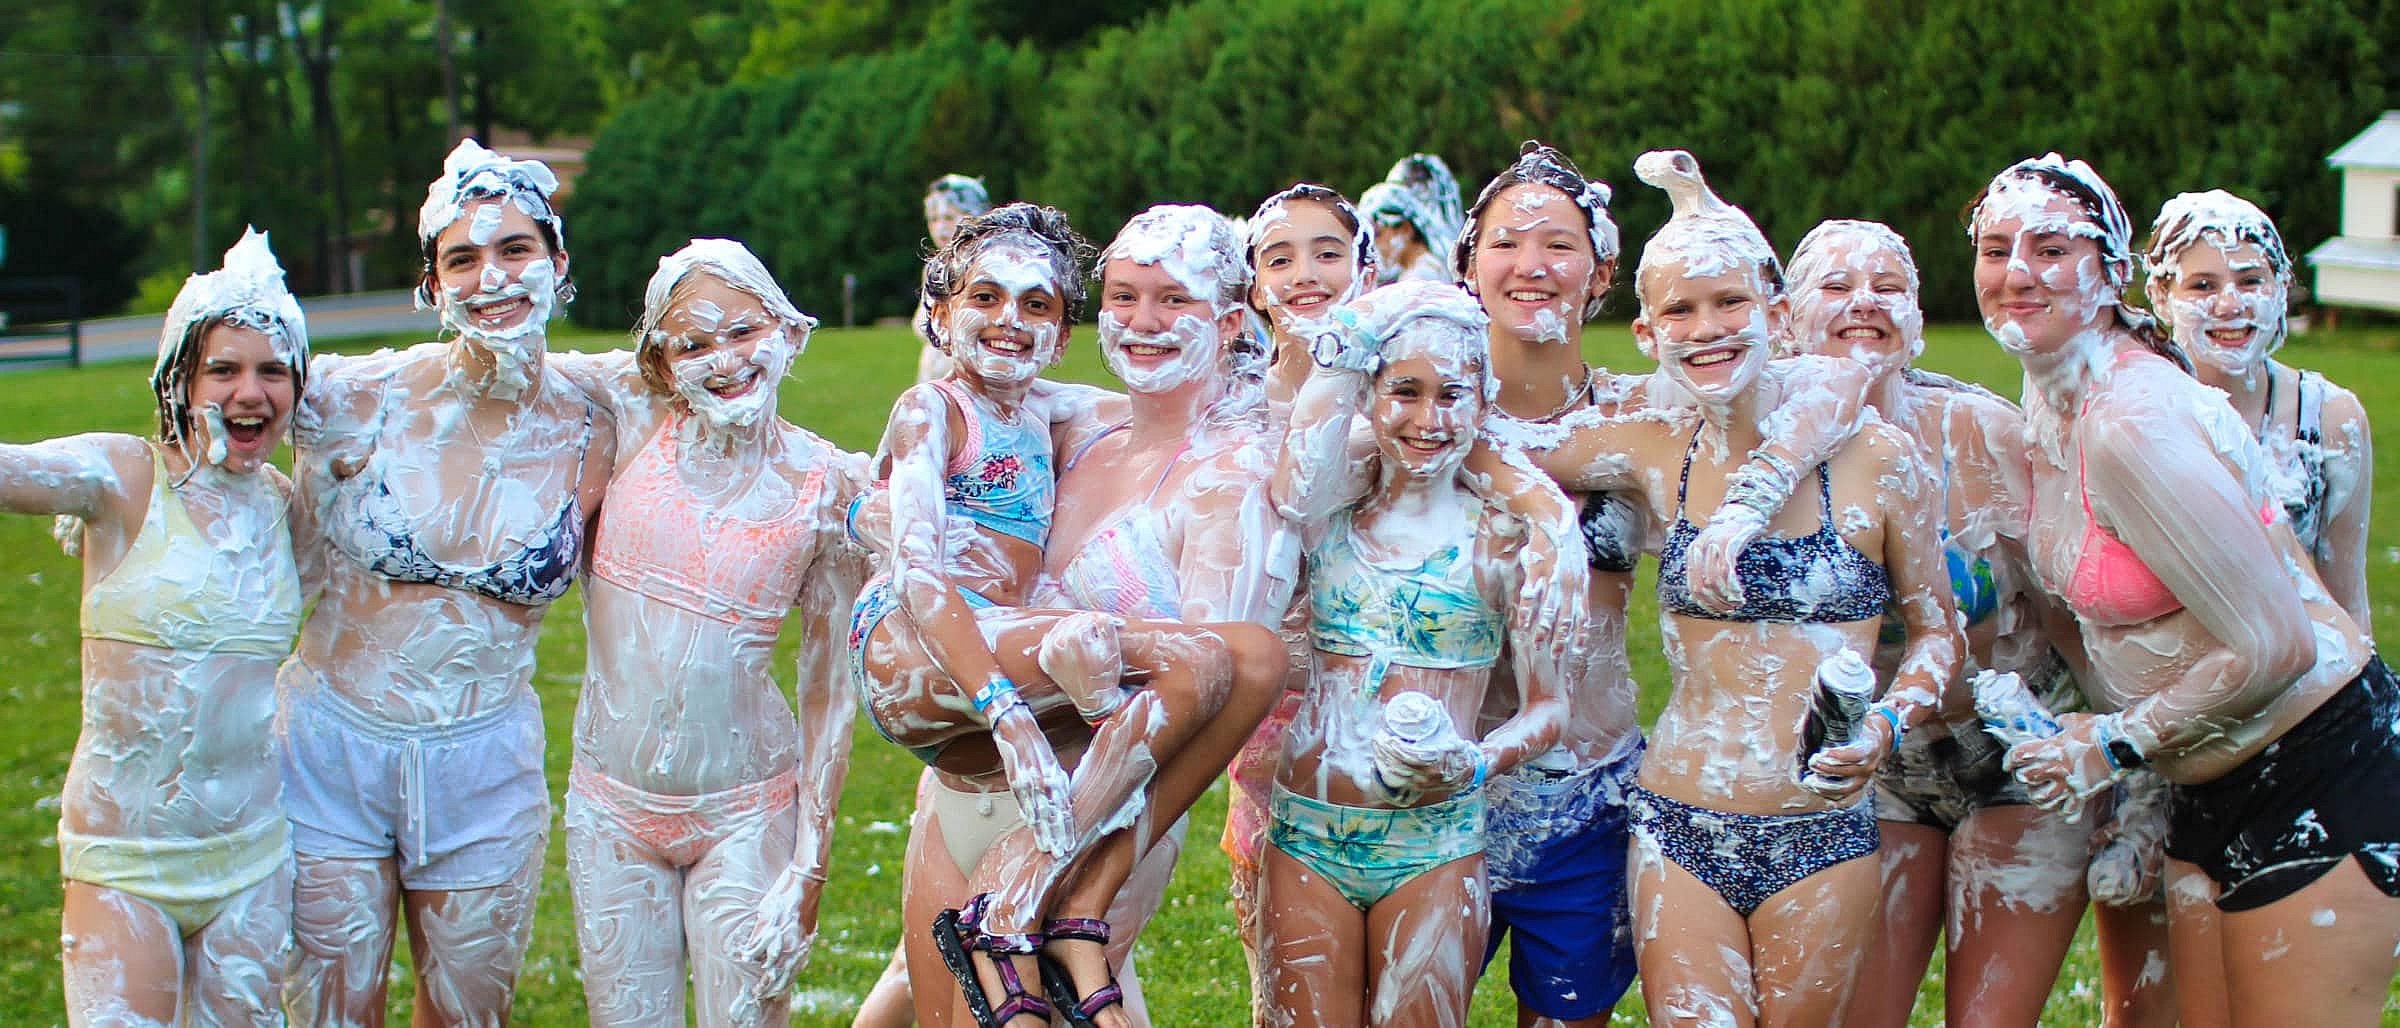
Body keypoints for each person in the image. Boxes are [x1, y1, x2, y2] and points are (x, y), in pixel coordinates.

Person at [1527, 151, 1961, 1025]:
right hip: (1679, 820)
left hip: (1820, 829)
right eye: (1680, 310)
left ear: (1775, 314)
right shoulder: (1655, 447)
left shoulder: (1881, 461)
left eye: (1729, 302)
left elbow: (1939, 637)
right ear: (1648, 335)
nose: (1708, 327)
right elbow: (1489, 440)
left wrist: (1883, 724)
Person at [1457, 141, 1875, 1028]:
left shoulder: (1649, 414)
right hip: (1438, 774)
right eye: (1505, 241)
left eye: (1559, 244)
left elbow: (1832, 380)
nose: (1532, 264)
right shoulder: (1426, 407)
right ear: (1468, 263)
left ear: (1603, 271)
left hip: (1585, 782)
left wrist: (1704, 212)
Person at [1976, 154, 2399, 1027]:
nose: (2018, 272)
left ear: (2109, 274)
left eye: (2051, 248)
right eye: (1994, 248)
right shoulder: (2050, 404)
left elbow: (2279, 642)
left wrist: (2112, 742)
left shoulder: (2128, 419)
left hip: (2317, 771)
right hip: (2202, 786)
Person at [851, 202, 1286, 1028]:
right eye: (1124, 295)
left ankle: (1047, 908)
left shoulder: (1234, 478)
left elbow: (1204, 699)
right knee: (927, 1003)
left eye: (1173, 300)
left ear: (1229, 321)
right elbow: (938, 434)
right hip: (966, 772)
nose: (1144, 321)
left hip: (1088, 814)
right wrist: (868, 512)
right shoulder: (1073, 415)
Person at [281, 138, 616, 1023]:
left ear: (558, 265)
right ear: (431, 285)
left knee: (470, 1013)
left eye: (515, 250)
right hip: (329, 750)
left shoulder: (607, 414)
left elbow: (738, 370)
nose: (491, 277)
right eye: (461, 258)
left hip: (485, 763)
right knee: (329, 1010)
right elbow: (213, 397)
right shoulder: (349, 395)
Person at [549, 240, 868, 1026]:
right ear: (661, 365)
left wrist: (809, 869)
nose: (723, 360)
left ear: (788, 332)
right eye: (693, 344)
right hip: (609, 809)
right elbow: (513, 354)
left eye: (742, 332)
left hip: (746, 812)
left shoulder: (827, 485)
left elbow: (828, 687)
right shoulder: (629, 418)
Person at [1784, 220, 2092, 1028]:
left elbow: (2073, 609)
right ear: (1785, 317)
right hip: (1875, 769)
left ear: (1918, 316)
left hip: (2018, 757)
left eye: (1888, 288)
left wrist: (2119, 749)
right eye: (1837, 287)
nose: (1864, 304)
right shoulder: (1759, 456)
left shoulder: (1983, 433)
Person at [0, 230, 306, 1025]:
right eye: (224, 370)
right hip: (125, 863)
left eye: (273, 371)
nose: (250, 392)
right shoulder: (122, 478)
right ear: (179, 380)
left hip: (253, 857)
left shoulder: (285, 505)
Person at [1261, 279, 1585, 1028]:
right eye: (1404, 391)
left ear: (1483, 401)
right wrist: (1359, 323)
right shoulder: (1328, 519)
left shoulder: (1505, 542)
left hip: (1435, 841)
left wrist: (1474, 762)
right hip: (1307, 830)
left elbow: (1548, 709)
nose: (1427, 419)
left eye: (1452, 395)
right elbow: (1300, 474)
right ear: (1369, 396)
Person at [1245, 184, 1379, 408]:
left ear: (1367, 278)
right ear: (1255, 291)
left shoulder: (1395, 406)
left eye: (1328, 254)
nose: (1304, 276)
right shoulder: (1238, 408)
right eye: (1280, 261)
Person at [916, 174, 996, 384]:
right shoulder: (933, 268)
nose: (940, 227)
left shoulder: (985, 269)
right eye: (933, 219)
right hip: (933, 372)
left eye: (949, 217)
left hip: (969, 376)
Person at [1358, 153, 1464, 285]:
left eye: (1378, 234)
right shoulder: (1419, 271)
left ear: (1406, 230)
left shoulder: (1422, 276)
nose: (1375, 245)